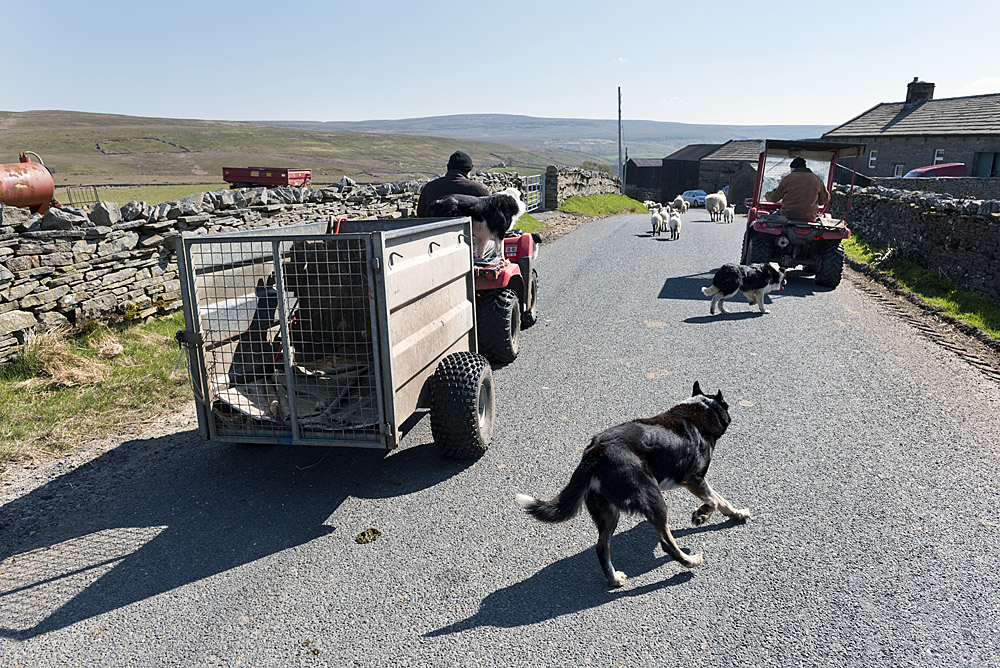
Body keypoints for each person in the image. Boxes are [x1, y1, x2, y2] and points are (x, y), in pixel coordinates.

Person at [415, 151, 490, 217]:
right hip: (466, 232)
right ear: (468, 170)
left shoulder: (430, 187)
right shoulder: (477, 189)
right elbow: (491, 212)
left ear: (448, 167)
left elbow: (421, 213)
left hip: (433, 231)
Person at [764, 156, 830, 221]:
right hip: (810, 217)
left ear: (793, 168)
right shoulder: (817, 179)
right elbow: (824, 201)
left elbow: (774, 198)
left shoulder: (788, 178)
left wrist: (767, 195)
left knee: (769, 218)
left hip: (788, 215)